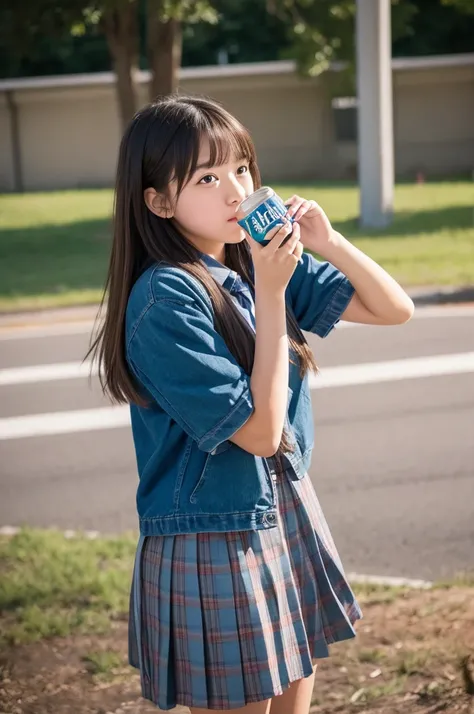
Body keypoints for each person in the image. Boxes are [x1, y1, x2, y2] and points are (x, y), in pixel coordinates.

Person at [87, 95, 414, 714]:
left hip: (281, 503)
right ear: (158, 202)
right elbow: (262, 433)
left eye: (241, 168)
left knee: (295, 690)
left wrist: (330, 241)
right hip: (212, 533)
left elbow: (395, 309)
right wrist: (270, 293)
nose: (236, 191)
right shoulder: (165, 300)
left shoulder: (250, 258)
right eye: (207, 178)